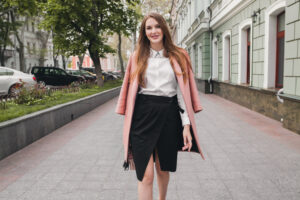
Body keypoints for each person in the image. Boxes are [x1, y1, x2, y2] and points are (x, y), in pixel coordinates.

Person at [115, 12, 205, 200]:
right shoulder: (137, 56)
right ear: (144, 32)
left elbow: (182, 93)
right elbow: (131, 92)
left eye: (157, 26)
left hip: (169, 116)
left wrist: (186, 125)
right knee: (145, 176)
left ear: (164, 29)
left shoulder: (180, 55)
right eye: (149, 27)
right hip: (142, 118)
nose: (153, 31)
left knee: (163, 170)